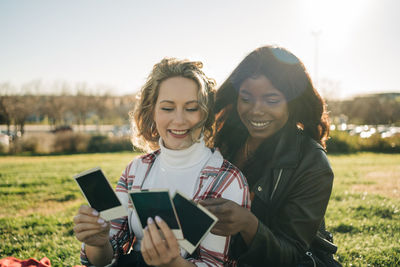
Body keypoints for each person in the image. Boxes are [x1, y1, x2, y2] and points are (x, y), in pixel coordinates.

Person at [73, 58, 250, 267]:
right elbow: (106, 257)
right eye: (167, 108)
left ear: (205, 113)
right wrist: (98, 243)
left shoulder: (227, 181)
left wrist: (173, 263)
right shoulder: (136, 170)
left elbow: (216, 263)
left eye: (191, 108)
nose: (179, 120)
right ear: (152, 112)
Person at [200, 45, 336, 266]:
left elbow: (291, 254)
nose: (256, 110)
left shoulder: (313, 162)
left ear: (292, 102)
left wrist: (248, 224)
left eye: (271, 100)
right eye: (246, 98)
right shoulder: (224, 140)